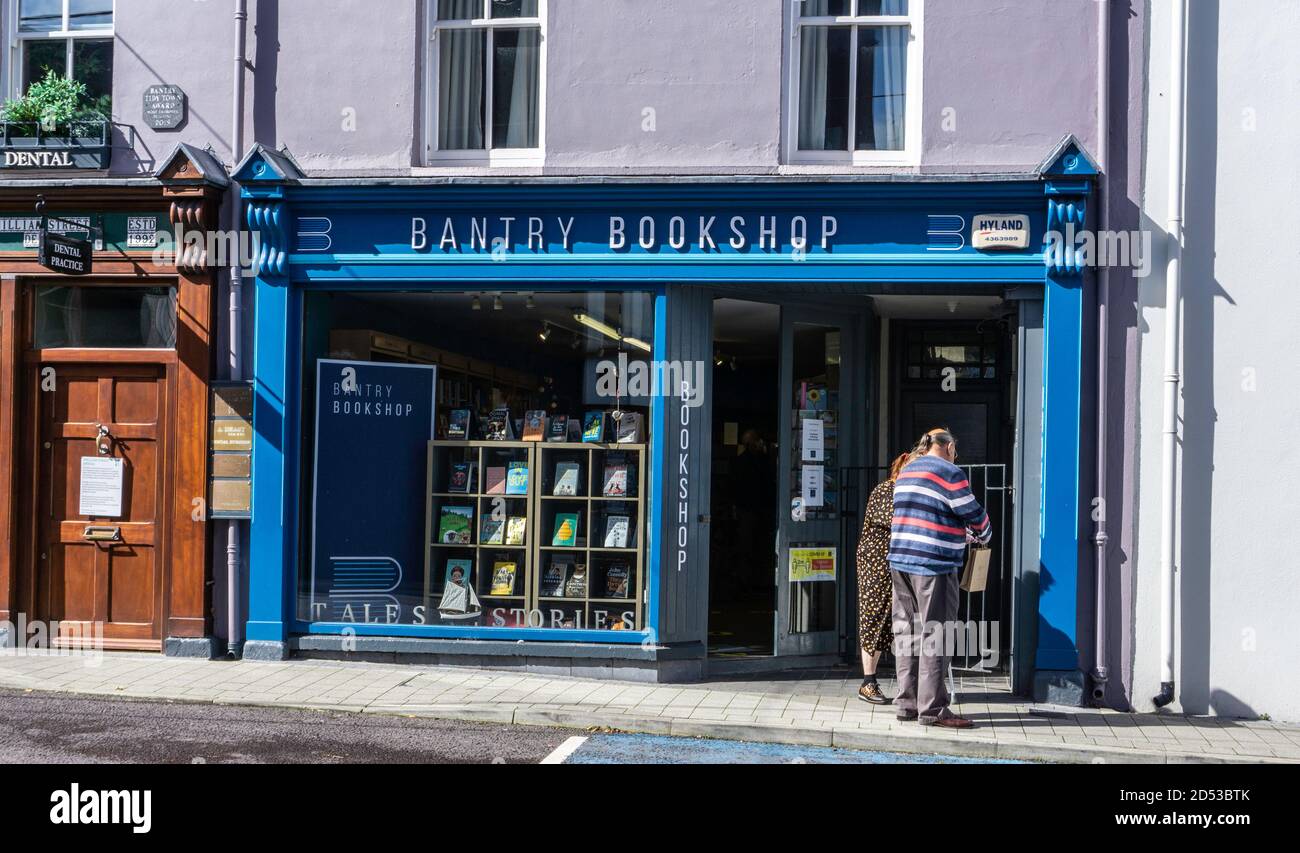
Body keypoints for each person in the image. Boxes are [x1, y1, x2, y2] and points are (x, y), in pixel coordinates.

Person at [888, 428, 991, 728]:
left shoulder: (907, 470)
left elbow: (926, 513)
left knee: (906, 633)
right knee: (936, 634)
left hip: (900, 561)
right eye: (955, 449)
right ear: (948, 447)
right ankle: (932, 709)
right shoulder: (950, 472)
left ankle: (906, 704)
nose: (955, 454)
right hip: (933, 564)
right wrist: (982, 533)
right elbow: (972, 513)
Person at [854, 452, 911, 704]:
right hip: (875, 564)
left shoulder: (907, 493)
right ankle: (868, 682)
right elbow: (897, 521)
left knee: (898, 622)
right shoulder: (886, 490)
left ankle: (909, 683)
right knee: (874, 617)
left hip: (898, 563)